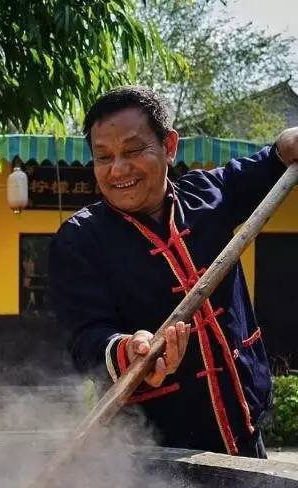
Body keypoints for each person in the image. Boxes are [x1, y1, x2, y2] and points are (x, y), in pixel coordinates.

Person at [49, 86, 298, 457]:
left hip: (243, 431)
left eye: (133, 151)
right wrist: (126, 349)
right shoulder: (80, 239)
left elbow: (277, 157)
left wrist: (288, 143)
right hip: (153, 457)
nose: (118, 170)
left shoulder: (211, 194)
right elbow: (85, 340)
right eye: (103, 157)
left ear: (169, 146)